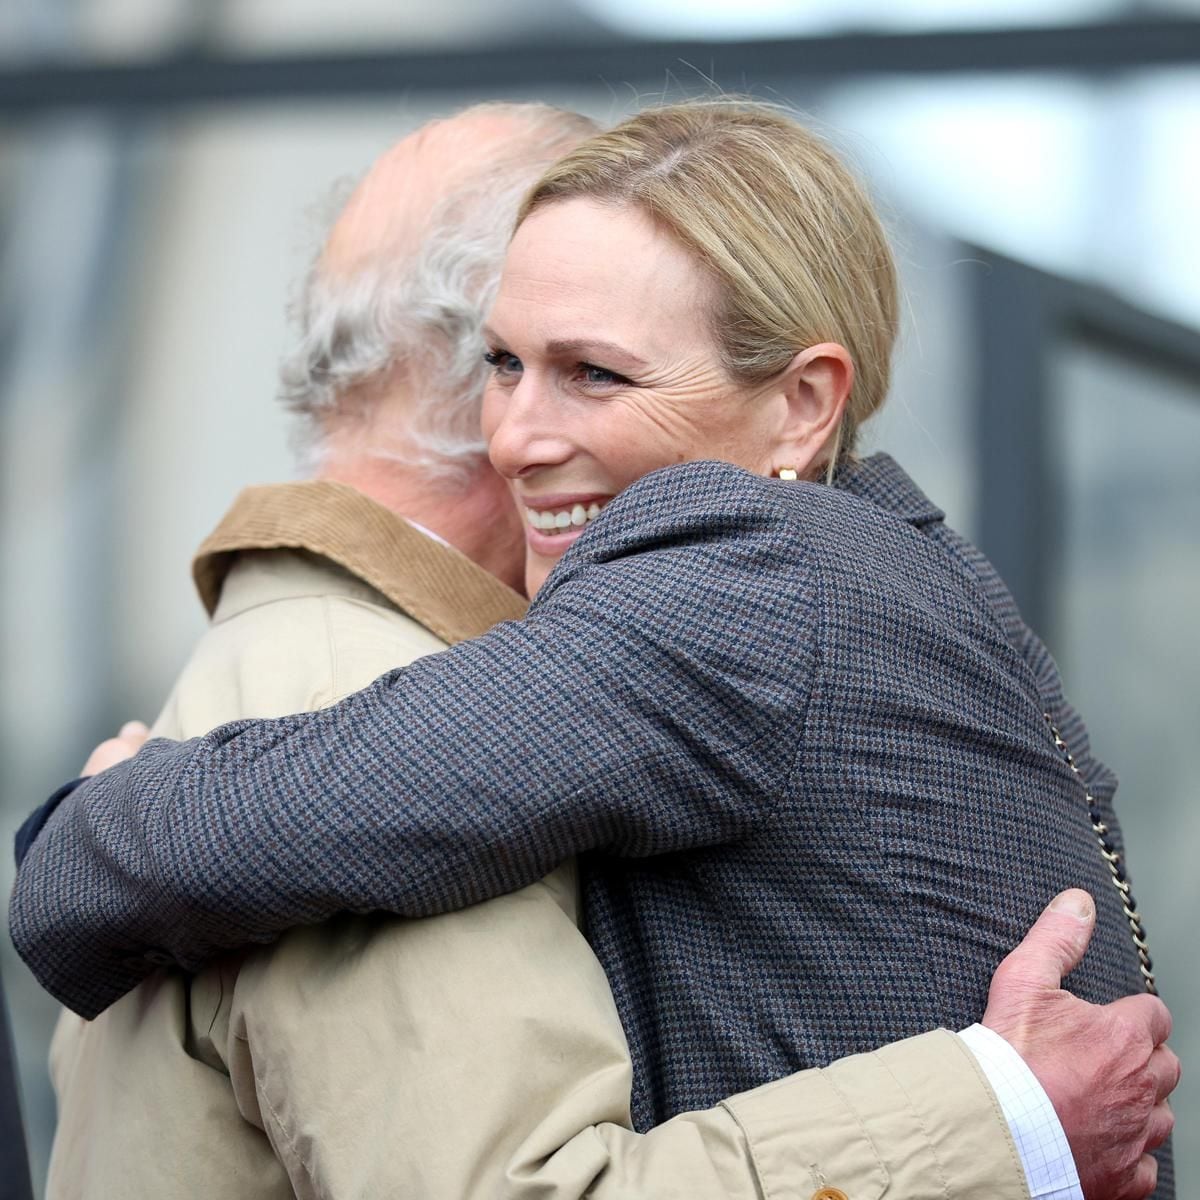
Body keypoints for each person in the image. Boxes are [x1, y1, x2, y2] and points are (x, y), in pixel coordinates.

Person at [12, 100, 1178, 1200]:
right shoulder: (902, 576)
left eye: (595, 373)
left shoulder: (739, 576)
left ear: (802, 403)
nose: (516, 435)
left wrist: (90, 820)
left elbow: (262, 819)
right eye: (501, 362)